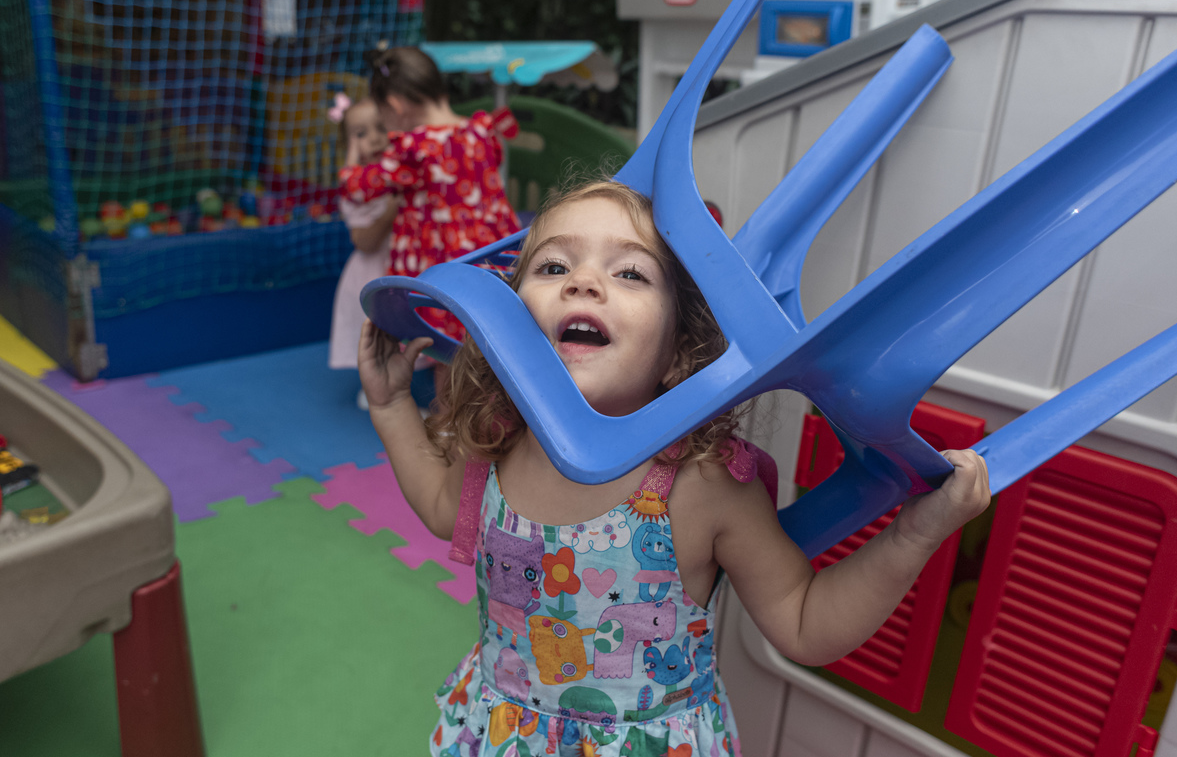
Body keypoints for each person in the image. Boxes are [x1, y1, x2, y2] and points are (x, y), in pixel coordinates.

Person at [358, 181, 991, 756]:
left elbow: (803, 622)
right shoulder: (498, 439)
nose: (582, 282)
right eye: (553, 266)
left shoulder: (703, 485)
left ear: (677, 354)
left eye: (630, 273)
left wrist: (913, 536)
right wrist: (390, 406)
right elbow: (441, 508)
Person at [366, 44, 522, 345]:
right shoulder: (482, 130)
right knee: (486, 337)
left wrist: (349, 171)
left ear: (395, 106)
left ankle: (441, 376)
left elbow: (365, 187)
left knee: (444, 342)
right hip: (492, 256)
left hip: (441, 262)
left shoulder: (413, 146)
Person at [327, 94, 403, 408]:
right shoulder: (355, 192)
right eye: (360, 133)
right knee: (378, 336)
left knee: (405, 333)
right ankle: (377, 393)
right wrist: (389, 213)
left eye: (380, 127)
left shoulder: (401, 172)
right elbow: (364, 242)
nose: (374, 138)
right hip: (372, 273)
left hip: (403, 265)